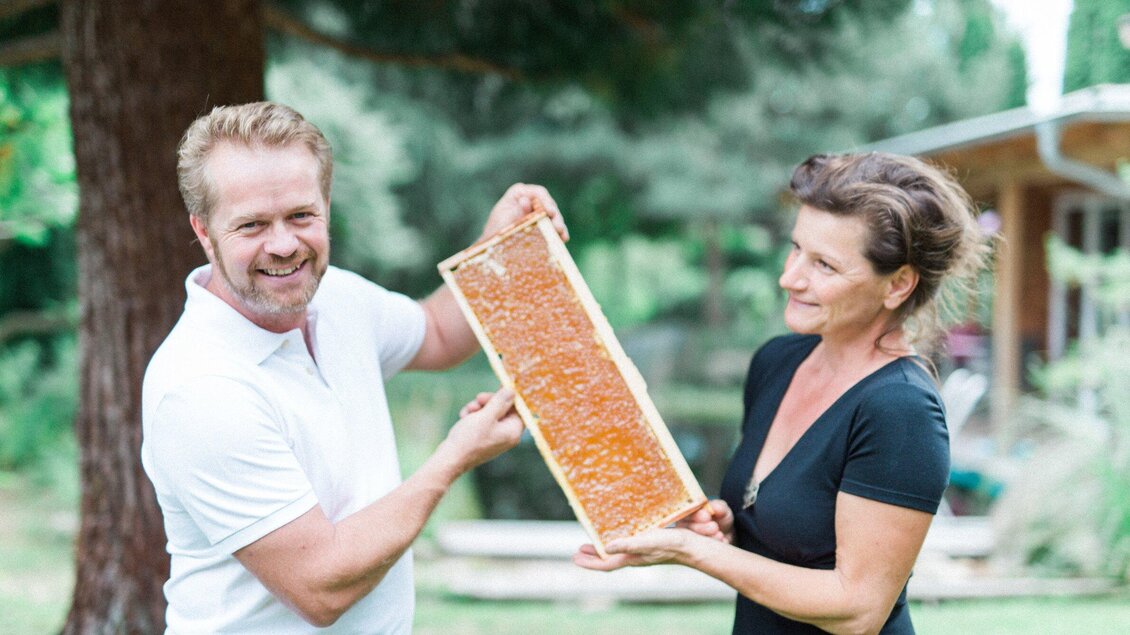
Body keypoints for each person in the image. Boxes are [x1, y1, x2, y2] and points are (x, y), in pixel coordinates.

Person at [140, 101, 568, 633]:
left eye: (301, 216)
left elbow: (437, 334)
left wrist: (499, 245)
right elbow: (320, 587)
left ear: (325, 206)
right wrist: (453, 458)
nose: (283, 244)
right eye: (251, 225)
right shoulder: (201, 388)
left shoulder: (337, 297)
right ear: (204, 232)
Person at [575, 152, 990, 634]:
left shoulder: (900, 410)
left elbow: (858, 608)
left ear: (897, 284)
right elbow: (785, 535)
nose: (790, 277)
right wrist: (729, 531)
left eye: (824, 266)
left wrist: (695, 553)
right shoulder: (777, 362)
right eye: (796, 249)